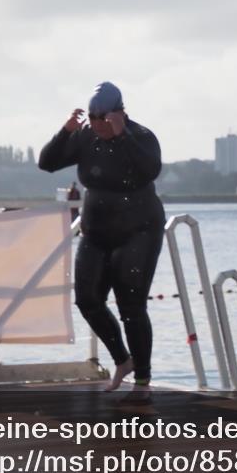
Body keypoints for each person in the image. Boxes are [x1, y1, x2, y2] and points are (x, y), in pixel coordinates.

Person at [38, 82, 164, 394]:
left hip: (139, 230)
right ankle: (123, 360)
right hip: (97, 232)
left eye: (105, 123)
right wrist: (66, 132)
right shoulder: (86, 137)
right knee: (87, 299)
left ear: (119, 115)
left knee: (131, 305)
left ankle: (143, 380)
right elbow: (47, 162)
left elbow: (150, 169)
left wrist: (122, 135)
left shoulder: (142, 137)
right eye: (94, 123)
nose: (99, 129)